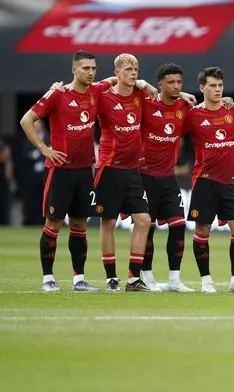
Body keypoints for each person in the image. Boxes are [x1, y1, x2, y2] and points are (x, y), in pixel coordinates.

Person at [19, 50, 116, 292]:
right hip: (60, 170)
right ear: (74, 70)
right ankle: (48, 280)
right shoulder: (57, 94)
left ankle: (78, 280)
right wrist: (44, 149)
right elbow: (26, 120)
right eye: (85, 68)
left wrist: (145, 85)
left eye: (93, 68)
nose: (91, 72)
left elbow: (115, 80)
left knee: (80, 226)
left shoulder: (96, 91)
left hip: (84, 171)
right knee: (53, 224)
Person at [183, 66, 234, 294]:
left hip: (230, 181)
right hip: (204, 181)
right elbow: (173, 134)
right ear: (202, 87)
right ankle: (206, 281)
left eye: (220, 85)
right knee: (202, 230)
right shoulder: (193, 114)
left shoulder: (231, 111)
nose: (217, 89)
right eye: (212, 85)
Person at [94, 53, 158, 292]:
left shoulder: (141, 95)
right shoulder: (103, 97)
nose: (134, 73)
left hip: (133, 170)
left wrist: (180, 94)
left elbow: (163, 98)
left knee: (143, 220)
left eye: (137, 69)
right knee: (108, 222)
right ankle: (111, 277)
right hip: (109, 168)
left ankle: (133, 278)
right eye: (129, 69)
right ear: (117, 72)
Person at [138, 63, 193, 293]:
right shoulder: (146, 103)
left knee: (179, 225)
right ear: (159, 83)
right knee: (147, 228)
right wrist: (141, 83)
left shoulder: (185, 106)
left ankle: (174, 279)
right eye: (171, 82)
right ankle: (147, 277)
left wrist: (226, 103)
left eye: (179, 82)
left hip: (168, 177)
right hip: (145, 177)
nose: (176, 86)